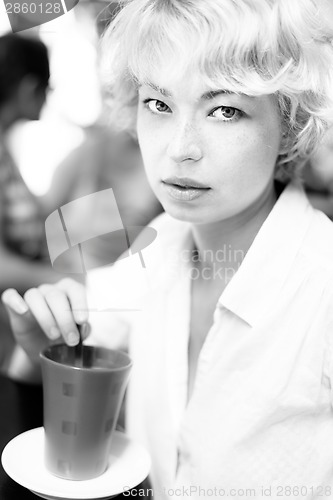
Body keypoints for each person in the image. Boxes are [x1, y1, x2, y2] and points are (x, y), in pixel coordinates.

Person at [2, 1, 333, 498]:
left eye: (225, 109)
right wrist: (41, 337)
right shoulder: (159, 250)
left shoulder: (321, 289)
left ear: (289, 125)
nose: (180, 147)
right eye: (158, 104)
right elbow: (80, 345)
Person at [0, 34, 81, 373]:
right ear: (28, 88)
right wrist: (70, 280)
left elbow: (33, 216)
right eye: (46, 90)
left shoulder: (5, 149)